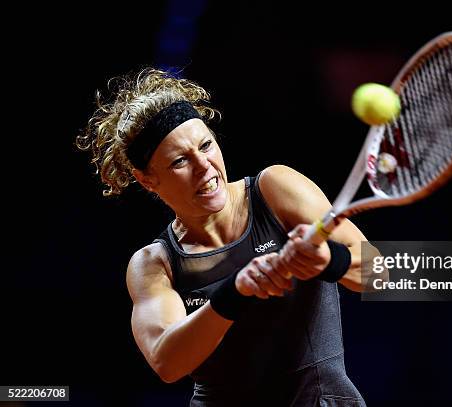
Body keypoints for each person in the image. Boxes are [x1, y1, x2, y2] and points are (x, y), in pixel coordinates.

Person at [77, 68, 374, 406]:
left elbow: (385, 272)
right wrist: (235, 291)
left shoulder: (276, 188)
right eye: (179, 162)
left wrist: (331, 261)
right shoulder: (153, 264)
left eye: (206, 145)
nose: (204, 166)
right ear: (148, 180)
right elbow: (167, 362)